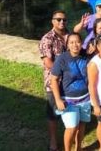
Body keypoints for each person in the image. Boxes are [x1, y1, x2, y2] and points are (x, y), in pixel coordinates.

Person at [50, 33, 90, 151]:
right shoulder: (62, 59)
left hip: (85, 98)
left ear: (81, 43)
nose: (75, 45)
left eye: (77, 42)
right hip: (69, 100)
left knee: (82, 125)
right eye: (71, 42)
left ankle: (78, 147)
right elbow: (54, 79)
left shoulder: (85, 56)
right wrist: (58, 99)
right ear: (67, 45)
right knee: (72, 127)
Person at [38, 10, 69, 151]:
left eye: (64, 20)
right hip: (54, 82)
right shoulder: (47, 39)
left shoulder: (70, 36)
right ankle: (53, 141)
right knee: (53, 113)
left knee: (70, 108)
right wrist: (67, 70)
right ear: (53, 21)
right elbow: (48, 63)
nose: (62, 22)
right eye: (58, 19)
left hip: (69, 81)